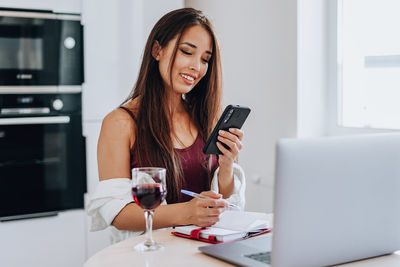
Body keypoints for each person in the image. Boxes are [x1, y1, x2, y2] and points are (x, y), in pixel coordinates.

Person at [87, 7, 246, 243]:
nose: (196, 67)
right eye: (186, 52)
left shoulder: (205, 119)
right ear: (157, 50)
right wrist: (187, 212)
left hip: (202, 249)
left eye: (205, 59)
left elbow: (220, 201)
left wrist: (226, 166)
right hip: (151, 253)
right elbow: (117, 212)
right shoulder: (121, 122)